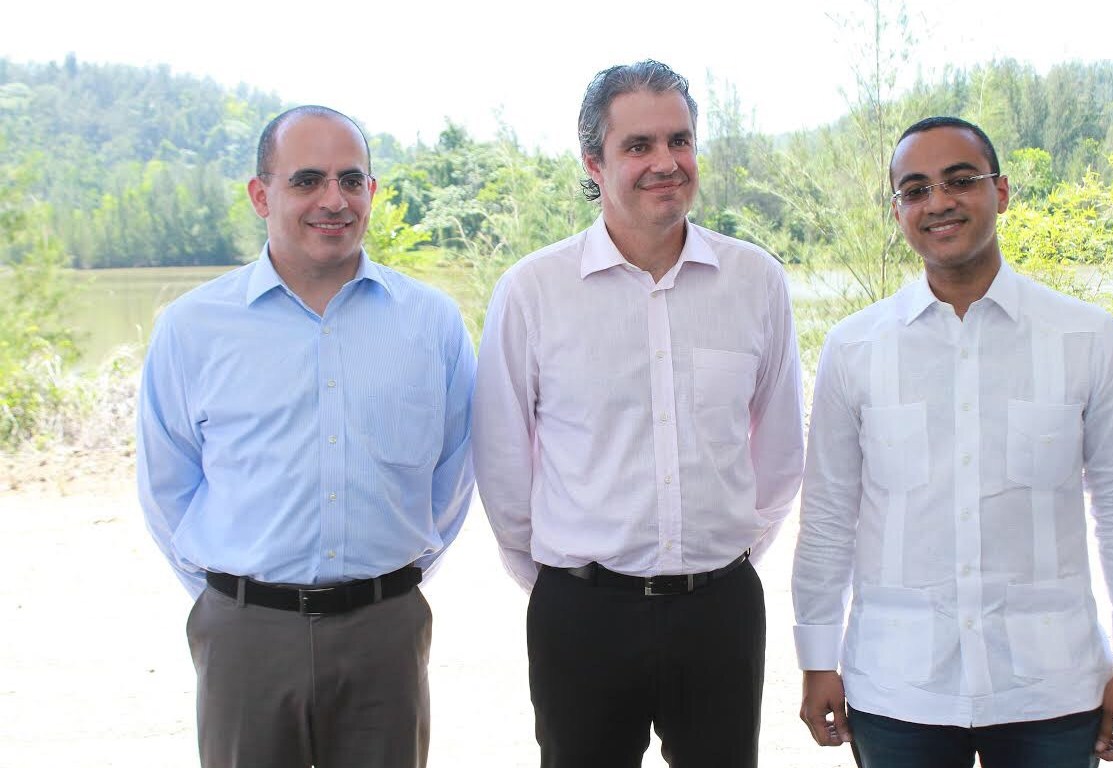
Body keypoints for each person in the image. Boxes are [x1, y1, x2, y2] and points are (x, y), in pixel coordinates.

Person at [792, 116, 1113, 767]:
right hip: (897, 687)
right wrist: (816, 659)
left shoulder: (1084, 337)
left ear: (1001, 191)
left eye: (959, 180)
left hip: (1051, 688)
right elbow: (827, 513)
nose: (938, 201)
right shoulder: (854, 348)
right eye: (915, 189)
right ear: (897, 211)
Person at [472, 60, 805, 768]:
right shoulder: (532, 291)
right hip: (582, 616)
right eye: (638, 146)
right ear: (593, 162)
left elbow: (778, 456)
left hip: (719, 612)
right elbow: (502, 463)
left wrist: (719, 558)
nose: (665, 162)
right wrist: (565, 578)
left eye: (679, 140)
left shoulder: (756, 281)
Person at [137, 105, 475, 768]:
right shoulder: (193, 327)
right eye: (307, 180)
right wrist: (241, 602)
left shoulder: (431, 322)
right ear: (261, 195)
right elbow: (166, 485)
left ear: (371, 190)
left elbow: (454, 474)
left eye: (351, 180)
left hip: (385, 632)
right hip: (246, 637)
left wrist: (386, 585)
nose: (333, 200)